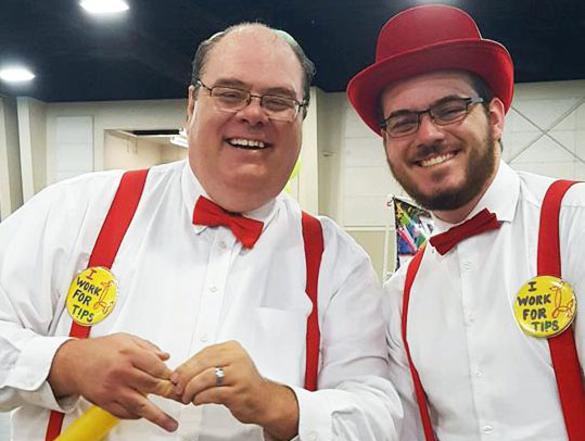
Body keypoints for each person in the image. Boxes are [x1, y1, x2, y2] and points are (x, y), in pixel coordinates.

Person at [0, 23, 403, 441]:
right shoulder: (80, 208)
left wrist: (278, 404)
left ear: (301, 116)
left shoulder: (337, 261)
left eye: (278, 100)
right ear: (191, 105)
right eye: (229, 93)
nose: (253, 114)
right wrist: (64, 362)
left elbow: (378, 417)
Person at [347, 4, 584, 441]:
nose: (428, 135)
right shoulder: (399, 297)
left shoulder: (576, 224)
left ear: (494, 118)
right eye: (403, 121)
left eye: (450, 108)